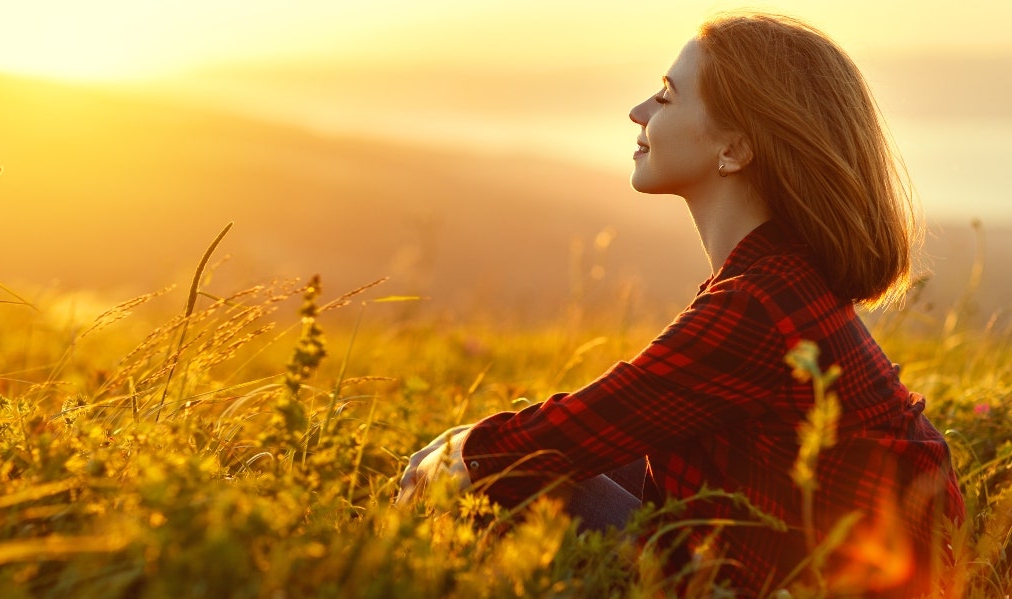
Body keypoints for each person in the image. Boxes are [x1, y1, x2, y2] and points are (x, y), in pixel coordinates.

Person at [397, 11, 965, 597]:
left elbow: (578, 429)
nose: (639, 111)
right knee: (527, 444)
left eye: (667, 97)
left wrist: (460, 457)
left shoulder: (758, 304)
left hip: (793, 584)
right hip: (794, 566)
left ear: (735, 149)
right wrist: (476, 446)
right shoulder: (782, 276)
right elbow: (612, 422)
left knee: (517, 473)